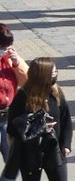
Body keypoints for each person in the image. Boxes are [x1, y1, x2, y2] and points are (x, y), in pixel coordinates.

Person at [1, 58, 71, 181]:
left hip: (53, 147)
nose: (55, 76)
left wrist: (66, 144)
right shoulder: (23, 97)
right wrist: (39, 127)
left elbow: (66, 119)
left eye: (56, 72)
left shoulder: (56, 92)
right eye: (52, 73)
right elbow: (13, 128)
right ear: (41, 75)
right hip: (30, 152)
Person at [0, 25, 30, 164]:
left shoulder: (10, 57)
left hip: (8, 115)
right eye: (3, 47)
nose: (5, 51)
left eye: (8, 46)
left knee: (12, 159)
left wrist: (17, 63)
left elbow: (26, 81)